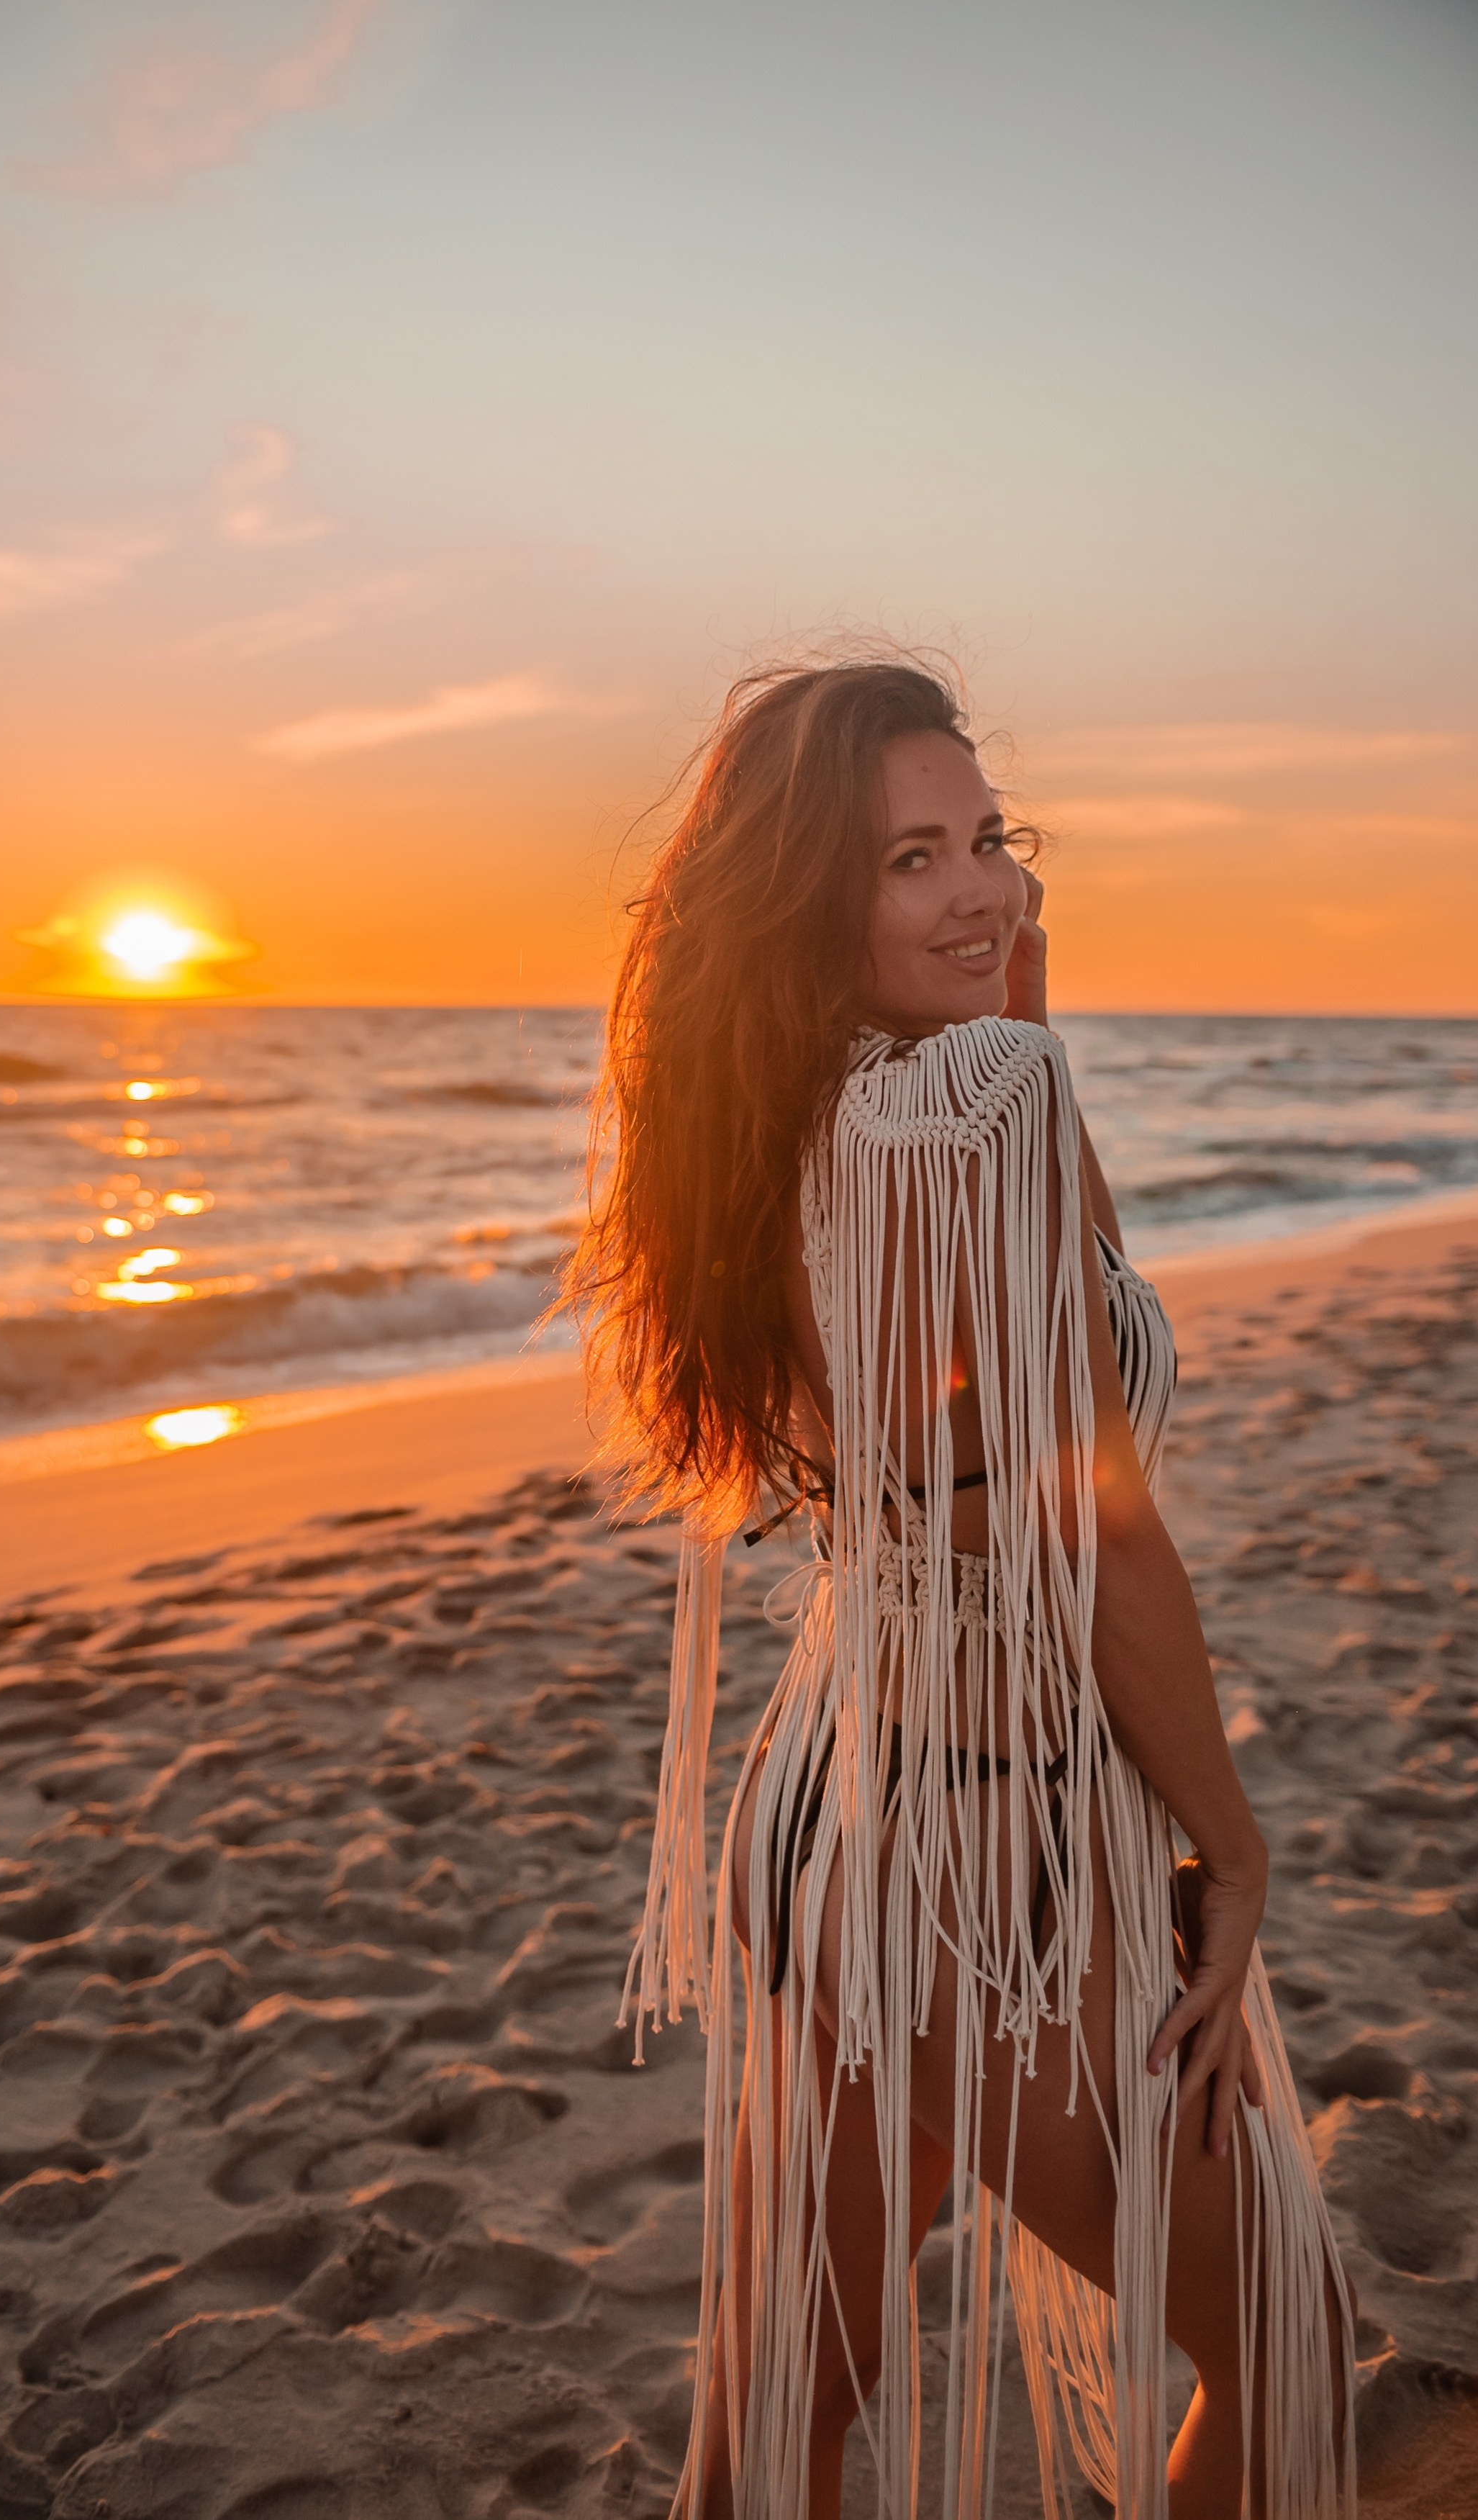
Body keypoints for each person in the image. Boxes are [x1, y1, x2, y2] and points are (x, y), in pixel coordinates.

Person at [568, 658, 1355, 2520]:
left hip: (830, 1808)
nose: (977, 892)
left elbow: (1034, 1306)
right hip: (977, 1860)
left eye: (987, 840)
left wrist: (1013, 992)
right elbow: (1088, 1526)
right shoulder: (970, 1101)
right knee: (1294, 2349)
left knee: (781, 2414)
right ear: (803, 906)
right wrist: (1228, 1846)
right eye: (907, 859)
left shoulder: (823, 1112)